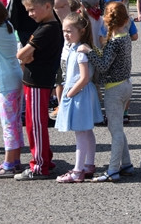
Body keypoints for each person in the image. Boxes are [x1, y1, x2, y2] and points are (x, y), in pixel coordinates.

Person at [14, 0, 64, 180]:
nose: (30, 14)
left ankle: (39, 166)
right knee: (34, 123)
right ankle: (44, 159)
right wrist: (26, 56)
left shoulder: (47, 29)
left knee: (35, 125)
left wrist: (25, 56)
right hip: (36, 81)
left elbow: (21, 55)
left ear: (47, 6)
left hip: (38, 82)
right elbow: (25, 56)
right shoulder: (46, 26)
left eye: (32, 9)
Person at [53, 12, 103, 183]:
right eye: (64, 31)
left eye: (69, 31)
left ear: (81, 31)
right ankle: (88, 165)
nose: (66, 34)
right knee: (86, 131)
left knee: (81, 132)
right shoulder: (75, 48)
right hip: (81, 92)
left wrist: (69, 93)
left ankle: (77, 170)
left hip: (79, 93)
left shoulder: (80, 50)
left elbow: (84, 77)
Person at [91, 2, 133, 182]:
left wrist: (90, 51)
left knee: (115, 131)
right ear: (125, 19)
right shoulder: (126, 37)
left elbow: (103, 65)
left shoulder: (114, 42)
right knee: (118, 127)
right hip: (126, 85)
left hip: (114, 89)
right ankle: (126, 163)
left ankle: (113, 169)